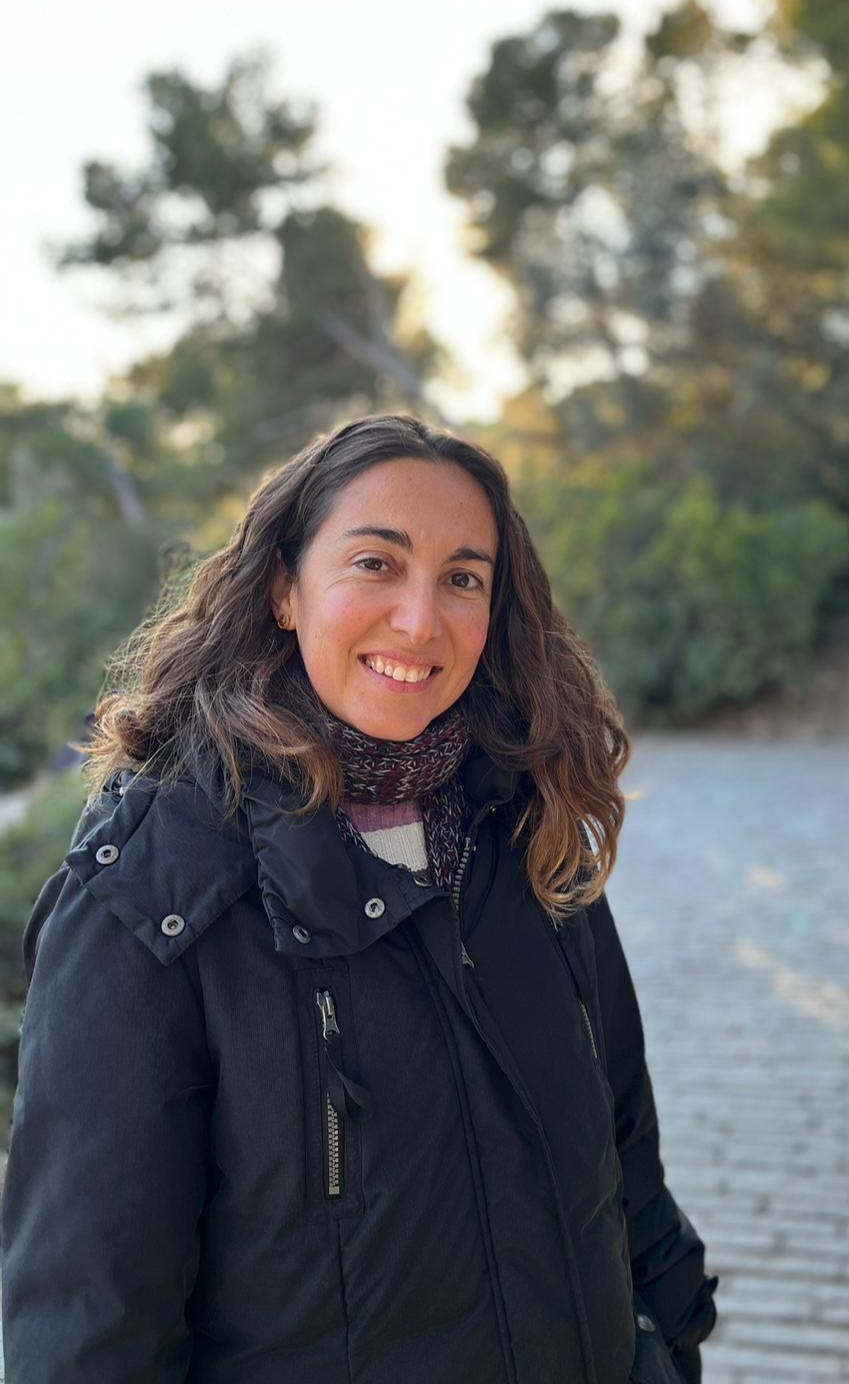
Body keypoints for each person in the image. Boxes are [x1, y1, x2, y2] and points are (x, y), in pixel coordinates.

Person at [1, 413, 718, 1383]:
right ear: (283, 589)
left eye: (462, 578)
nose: (420, 621)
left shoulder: (526, 826)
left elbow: (622, 1146)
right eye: (376, 563)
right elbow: (91, 1321)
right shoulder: (150, 894)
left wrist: (669, 1345)